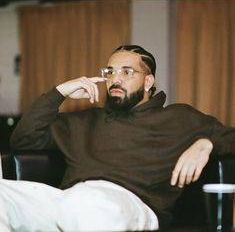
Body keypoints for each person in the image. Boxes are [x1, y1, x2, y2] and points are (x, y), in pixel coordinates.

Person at [0, 44, 234, 232]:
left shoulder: (178, 118)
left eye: (126, 72)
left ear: (148, 82)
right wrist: (60, 92)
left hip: (132, 205)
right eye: (110, 72)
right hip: (69, 200)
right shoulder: (85, 120)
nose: (115, 79)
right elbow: (23, 139)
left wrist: (206, 144)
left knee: (84, 204)